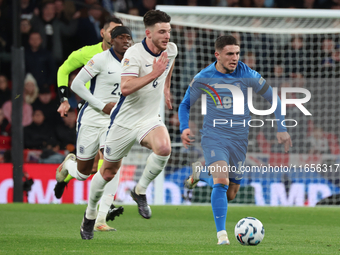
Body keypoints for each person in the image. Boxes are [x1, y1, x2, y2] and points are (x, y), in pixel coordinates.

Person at [178, 35, 292, 245]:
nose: (235, 58)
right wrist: (184, 127)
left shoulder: (246, 73)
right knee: (221, 182)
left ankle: (199, 174)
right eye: (230, 54)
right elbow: (185, 104)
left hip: (239, 139)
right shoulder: (204, 76)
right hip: (214, 136)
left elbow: (273, 98)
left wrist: (282, 127)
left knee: (231, 193)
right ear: (217, 55)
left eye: (237, 53)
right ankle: (222, 236)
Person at [79, 10, 177, 240]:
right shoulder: (133, 54)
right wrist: (155, 74)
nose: (166, 36)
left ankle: (139, 191)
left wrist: (166, 86)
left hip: (149, 118)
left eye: (169, 31)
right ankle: (90, 215)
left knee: (164, 148)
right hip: (124, 121)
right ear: (148, 33)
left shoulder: (171, 49)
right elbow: (125, 88)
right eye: (162, 32)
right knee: (108, 172)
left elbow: (168, 65)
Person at [55, 26, 133, 232]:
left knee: (112, 165)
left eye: (128, 38)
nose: (126, 41)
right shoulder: (94, 56)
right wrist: (64, 99)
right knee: (84, 172)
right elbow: (72, 79)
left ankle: (99, 218)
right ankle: (67, 167)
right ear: (106, 35)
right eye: (119, 36)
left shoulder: (133, 61)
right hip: (91, 115)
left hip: (115, 121)